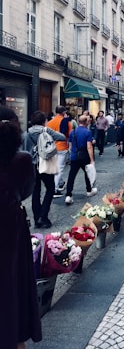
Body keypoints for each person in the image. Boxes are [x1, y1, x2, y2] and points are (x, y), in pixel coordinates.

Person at [0, 106, 42, 349]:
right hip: (12, 226)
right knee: (13, 281)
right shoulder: (23, 160)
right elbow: (26, 191)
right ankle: (15, 334)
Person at [22, 110, 66, 229]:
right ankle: (43, 216)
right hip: (45, 164)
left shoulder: (26, 133)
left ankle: (37, 219)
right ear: (43, 121)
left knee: (35, 192)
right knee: (50, 189)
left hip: (32, 167)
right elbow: (62, 137)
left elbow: (22, 150)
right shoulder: (46, 130)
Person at [65, 115, 97, 205]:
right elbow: (89, 147)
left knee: (72, 175)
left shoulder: (72, 132)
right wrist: (92, 159)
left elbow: (70, 146)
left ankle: (68, 195)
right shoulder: (88, 132)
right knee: (87, 173)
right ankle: (89, 190)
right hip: (84, 156)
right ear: (86, 122)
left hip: (74, 156)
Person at [46, 105, 73, 197]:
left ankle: (56, 185)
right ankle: (55, 189)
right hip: (62, 147)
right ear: (64, 112)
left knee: (53, 168)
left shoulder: (49, 123)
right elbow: (70, 135)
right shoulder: (67, 122)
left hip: (51, 147)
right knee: (60, 168)